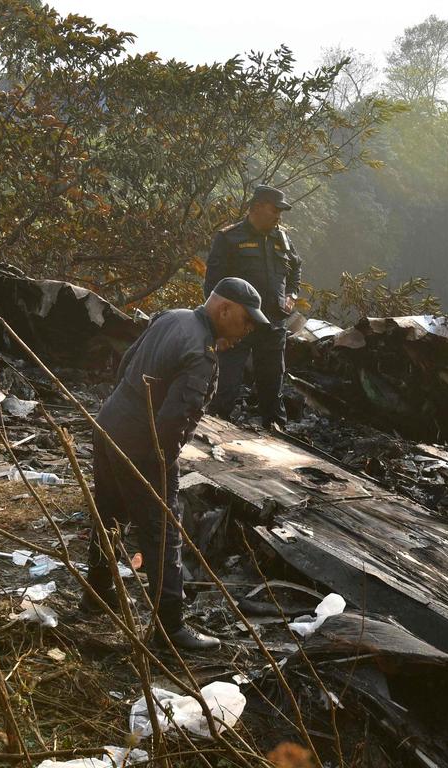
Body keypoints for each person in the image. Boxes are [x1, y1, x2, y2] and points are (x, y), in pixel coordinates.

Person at [81, 278, 268, 650]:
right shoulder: (201, 353)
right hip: (142, 447)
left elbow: (127, 365)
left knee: (110, 516)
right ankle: (170, 627)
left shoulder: (173, 317)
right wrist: (164, 467)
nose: (247, 331)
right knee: (163, 532)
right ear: (224, 309)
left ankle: (96, 596)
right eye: (247, 321)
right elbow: (172, 423)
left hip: (109, 424)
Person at [204, 185, 302, 428]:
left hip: (274, 321)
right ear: (257, 207)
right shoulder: (230, 237)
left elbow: (296, 268)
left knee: (272, 381)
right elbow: (213, 286)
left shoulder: (283, 239)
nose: (279, 216)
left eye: (281, 211)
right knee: (227, 379)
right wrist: (218, 329)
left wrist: (292, 294)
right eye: (275, 209)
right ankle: (215, 426)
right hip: (239, 322)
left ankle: (275, 430)